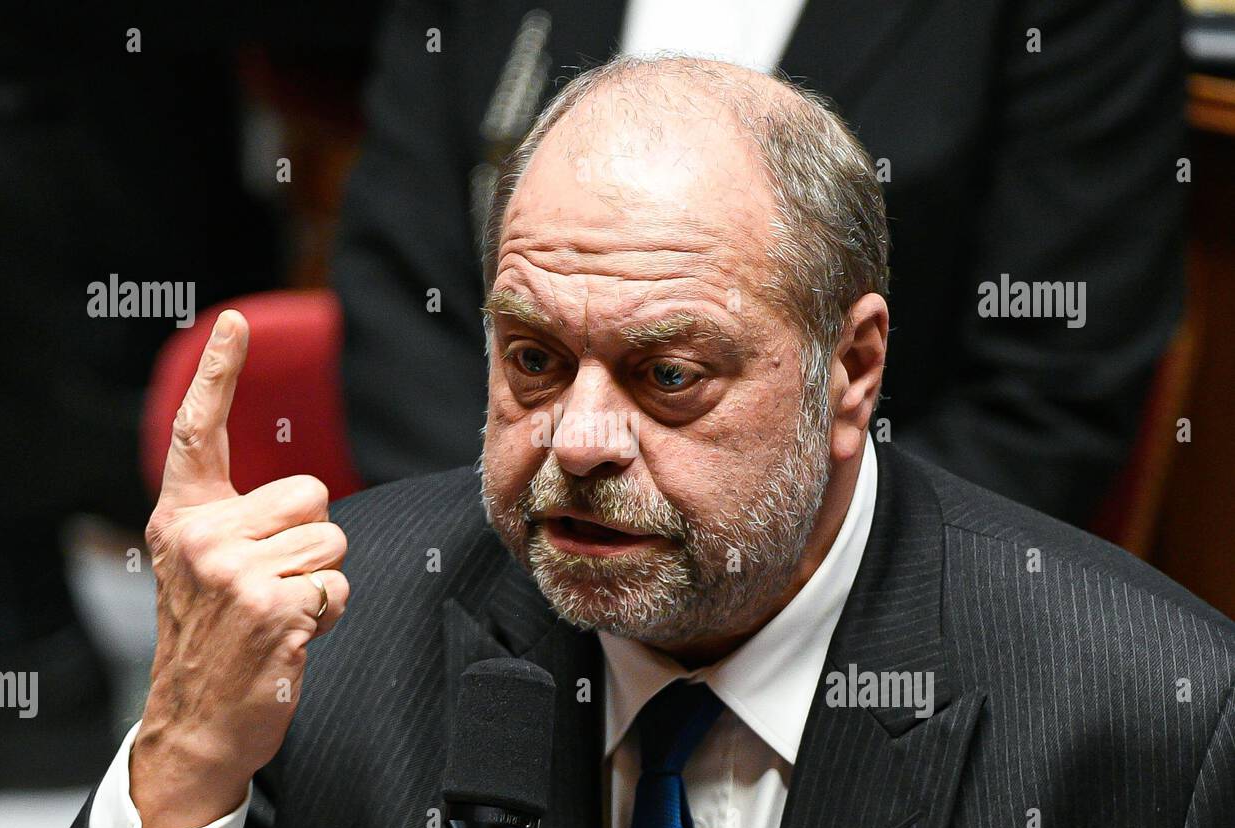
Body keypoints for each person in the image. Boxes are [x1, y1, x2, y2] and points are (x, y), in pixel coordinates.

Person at [57, 57, 1232, 828]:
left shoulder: (1144, 723)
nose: (576, 440)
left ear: (852, 368)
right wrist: (183, 756)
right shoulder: (326, 642)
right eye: (531, 356)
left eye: (669, 376)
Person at [336, 0, 1185, 526]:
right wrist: (517, 546)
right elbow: (402, 293)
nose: (588, 440)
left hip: (861, 603)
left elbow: (1048, 392)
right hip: (501, 569)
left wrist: (787, 588)